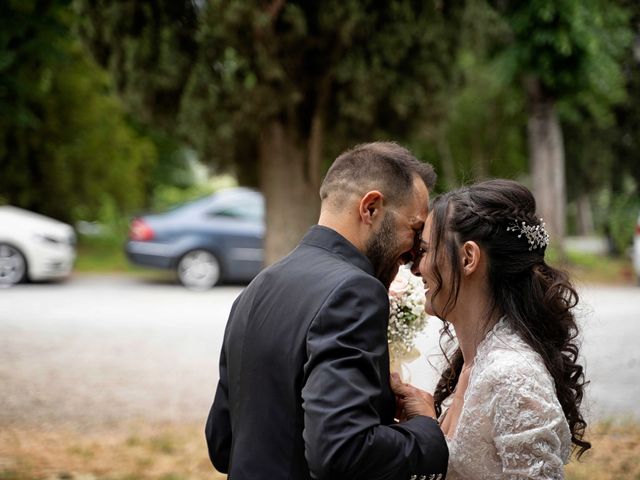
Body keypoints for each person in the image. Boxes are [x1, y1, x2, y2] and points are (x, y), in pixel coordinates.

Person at [205, 142, 449, 479]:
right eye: (414, 228)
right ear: (371, 208)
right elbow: (341, 451)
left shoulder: (259, 287)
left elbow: (222, 443)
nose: (413, 256)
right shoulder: (355, 291)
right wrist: (425, 430)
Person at [394, 179, 591, 479]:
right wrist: (426, 427)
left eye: (424, 250)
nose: (416, 267)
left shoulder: (513, 376)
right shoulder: (474, 362)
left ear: (468, 258)